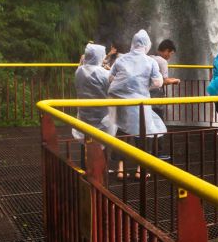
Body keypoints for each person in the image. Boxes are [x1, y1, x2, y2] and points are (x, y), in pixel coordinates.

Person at [108, 30, 167, 177]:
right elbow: (158, 82)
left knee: (122, 135)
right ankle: (141, 170)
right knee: (143, 135)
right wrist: (146, 86)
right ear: (147, 45)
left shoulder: (121, 59)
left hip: (123, 103)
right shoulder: (151, 62)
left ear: (133, 43)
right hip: (141, 104)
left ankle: (120, 169)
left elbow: (110, 78)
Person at [72, 43, 112, 141]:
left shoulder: (79, 71)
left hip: (83, 114)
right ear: (99, 56)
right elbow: (113, 90)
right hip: (102, 117)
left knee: (86, 141)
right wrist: (110, 71)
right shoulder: (104, 74)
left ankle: (84, 155)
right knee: (103, 142)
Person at [150, 39, 180, 121]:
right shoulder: (162, 61)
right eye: (171, 53)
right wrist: (175, 81)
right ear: (167, 51)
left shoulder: (150, 57)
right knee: (158, 118)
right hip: (155, 94)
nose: (170, 56)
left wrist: (170, 79)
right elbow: (164, 81)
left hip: (145, 93)